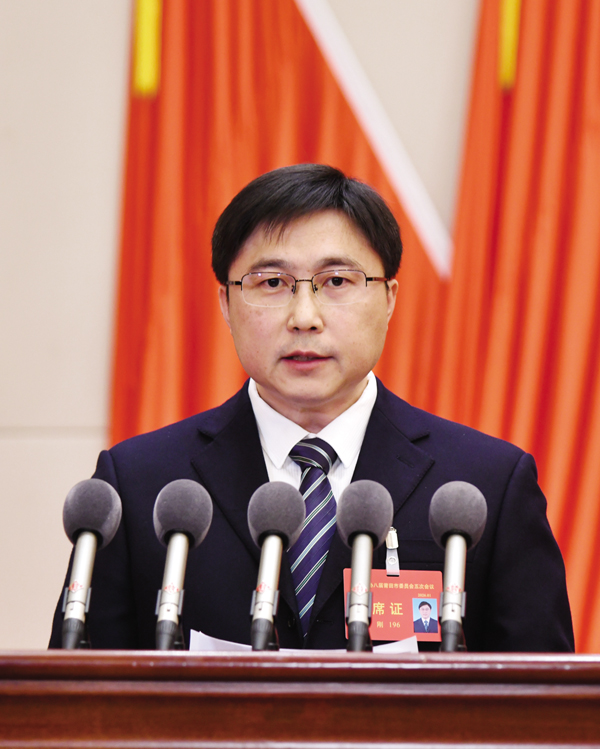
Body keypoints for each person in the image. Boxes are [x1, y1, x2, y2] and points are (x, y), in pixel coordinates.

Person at [49, 164, 574, 652]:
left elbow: (546, 706)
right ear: (225, 303)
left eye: (337, 282)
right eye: (271, 283)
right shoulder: (141, 485)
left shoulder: (485, 486)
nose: (304, 316)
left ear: (390, 297)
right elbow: (77, 699)